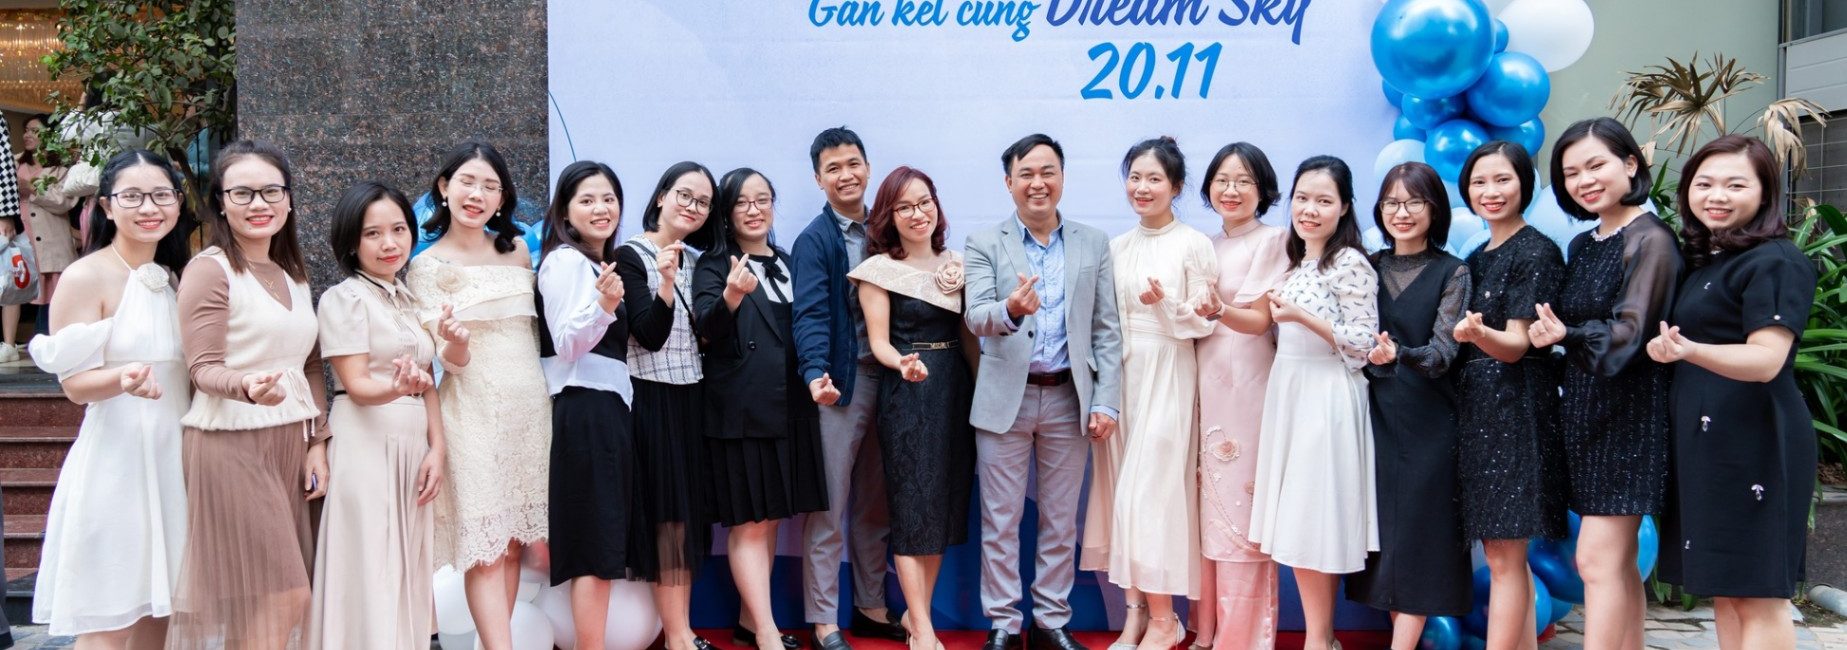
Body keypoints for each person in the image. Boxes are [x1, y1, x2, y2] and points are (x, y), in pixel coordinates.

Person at [1651, 135, 1817, 650]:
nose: (1716, 196)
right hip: (1709, 443)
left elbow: (1767, 360)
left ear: (1765, 192)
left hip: (1756, 441)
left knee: (1757, 595)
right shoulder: (1709, 260)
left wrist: (1689, 350)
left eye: (1735, 185)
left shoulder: (1777, 261)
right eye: (1704, 183)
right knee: (1726, 591)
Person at [962, 134, 1122, 650]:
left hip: (1067, 398)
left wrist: (1105, 399)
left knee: (1059, 519)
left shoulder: (1092, 242)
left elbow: (1106, 329)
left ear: (1063, 178)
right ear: (1008, 182)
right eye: (1026, 174)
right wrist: (1011, 309)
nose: (1038, 183)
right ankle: (1004, 624)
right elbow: (975, 315)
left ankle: (1051, 620)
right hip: (1003, 399)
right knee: (1000, 520)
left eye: (1048, 172)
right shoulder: (984, 242)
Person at [28, 148, 193, 648]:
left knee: (161, 616)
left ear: (178, 202)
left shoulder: (174, 276)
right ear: (105, 206)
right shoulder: (86, 276)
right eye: (133, 197)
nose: (150, 208)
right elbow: (75, 385)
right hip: (118, 461)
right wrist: (123, 378)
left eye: (161, 195)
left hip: (175, 456)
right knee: (109, 618)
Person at [1528, 118, 1683, 650]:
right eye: (1571, 173)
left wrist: (1566, 334)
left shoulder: (1651, 240)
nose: (1584, 181)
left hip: (1630, 418)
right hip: (1585, 417)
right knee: (1615, 564)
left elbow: (1628, 338)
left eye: (1596, 165)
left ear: (1630, 164)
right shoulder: (1583, 243)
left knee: (1595, 560)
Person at [168, 140, 328, 650]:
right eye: (242, 193)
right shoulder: (209, 269)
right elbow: (202, 368)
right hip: (231, 444)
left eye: (271, 191)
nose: (259, 204)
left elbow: (309, 364)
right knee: (286, 596)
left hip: (290, 442)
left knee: (261, 602)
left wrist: (318, 441)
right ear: (220, 203)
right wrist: (245, 386)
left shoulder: (292, 273)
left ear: (289, 199)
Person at [404, 139, 547, 650]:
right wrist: (457, 344)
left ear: (502, 198)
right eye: (467, 182)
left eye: (490, 186)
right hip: (471, 414)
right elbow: (447, 360)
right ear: (444, 187)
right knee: (484, 549)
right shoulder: (425, 266)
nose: (477, 194)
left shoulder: (518, 251)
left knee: (511, 545)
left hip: (530, 414)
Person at [692, 168, 830, 650]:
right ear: (727, 212)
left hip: (791, 405)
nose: (754, 210)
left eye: (763, 199)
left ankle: (751, 622)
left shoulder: (790, 261)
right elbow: (705, 331)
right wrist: (731, 295)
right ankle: (768, 632)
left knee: (770, 518)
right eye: (742, 202)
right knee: (750, 521)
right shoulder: (714, 264)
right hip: (742, 409)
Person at [306, 181, 446, 649]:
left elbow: (428, 382)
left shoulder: (408, 298)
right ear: (351, 242)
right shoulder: (344, 298)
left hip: (413, 443)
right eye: (373, 234)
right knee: (370, 567)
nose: (389, 243)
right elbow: (357, 385)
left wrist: (438, 450)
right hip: (365, 441)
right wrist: (398, 388)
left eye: (399, 229)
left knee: (408, 569)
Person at [1248, 155, 1379, 650]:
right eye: (1302, 198)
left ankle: (1319, 639)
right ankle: (1320, 637)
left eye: (1324, 200)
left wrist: (1302, 318)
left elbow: (1363, 344)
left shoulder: (1350, 263)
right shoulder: (1296, 261)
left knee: (1316, 522)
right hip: (1292, 392)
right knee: (1303, 526)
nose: (1309, 209)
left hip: (1327, 399)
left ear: (1344, 207)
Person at [845, 165, 978, 650]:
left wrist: (982, 394)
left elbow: (969, 340)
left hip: (954, 393)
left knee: (940, 509)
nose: (918, 213)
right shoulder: (877, 270)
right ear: (889, 215)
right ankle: (922, 628)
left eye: (924, 202)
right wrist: (901, 363)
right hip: (907, 392)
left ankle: (916, 615)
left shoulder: (960, 265)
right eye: (904, 206)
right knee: (910, 509)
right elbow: (879, 342)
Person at [1344, 162, 1473, 649]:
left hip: (1431, 422)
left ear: (1434, 208)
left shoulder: (1453, 271)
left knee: (1421, 539)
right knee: (1384, 541)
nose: (1402, 212)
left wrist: (1398, 353)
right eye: (1391, 203)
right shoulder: (1367, 266)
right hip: (1372, 418)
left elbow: (1442, 353)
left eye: (1414, 202)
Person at [1453, 141, 1569, 650]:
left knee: (1504, 554)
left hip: (1515, 410)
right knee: (1504, 555)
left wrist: (1478, 335)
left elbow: (1518, 345)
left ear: (1525, 182)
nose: (1491, 191)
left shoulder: (1536, 251)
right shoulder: (1476, 255)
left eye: (1502, 179)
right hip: (1479, 411)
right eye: (1479, 182)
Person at [1103, 136, 1217, 650]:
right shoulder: (1117, 247)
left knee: (1151, 496)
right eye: (1135, 177)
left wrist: (1166, 304)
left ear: (1176, 186)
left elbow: (1204, 322)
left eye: (1154, 178)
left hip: (1169, 370)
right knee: (1121, 499)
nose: (1142, 188)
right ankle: (1137, 617)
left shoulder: (1194, 243)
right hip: (1123, 376)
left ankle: (1167, 620)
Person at [792, 126, 904, 650]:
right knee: (830, 508)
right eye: (833, 168)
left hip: (892, 382)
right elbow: (810, 315)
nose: (846, 175)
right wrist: (816, 372)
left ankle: (871, 606)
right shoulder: (815, 240)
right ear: (818, 179)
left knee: (875, 506)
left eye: (853, 163)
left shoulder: (888, 229)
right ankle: (823, 621)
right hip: (841, 386)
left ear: (868, 167)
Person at [1187, 142, 1289, 650]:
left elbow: (1259, 321)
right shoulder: (1204, 244)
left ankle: (1243, 636)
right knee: (1206, 507)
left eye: (1244, 181)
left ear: (1263, 189)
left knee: (1241, 508)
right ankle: (1206, 629)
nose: (1231, 190)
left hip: (1248, 383)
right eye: (1222, 180)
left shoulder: (1274, 240)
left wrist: (1217, 310)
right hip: (1203, 380)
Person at [616, 161, 717, 650]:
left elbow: (710, 337)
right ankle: (678, 635)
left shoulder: (701, 262)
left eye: (703, 202)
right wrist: (663, 282)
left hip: (694, 395)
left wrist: (730, 301)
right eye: (685, 194)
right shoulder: (630, 255)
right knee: (668, 516)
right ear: (661, 196)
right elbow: (649, 334)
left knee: (688, 515)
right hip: (651, 397)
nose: (692, 207)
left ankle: (683, 629)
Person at [535, 160, 635, 650]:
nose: (601, 209)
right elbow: (567, 343)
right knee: (594, 544)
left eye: (609, 199)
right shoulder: (565, 262)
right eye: (587, 200)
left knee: (604, 540)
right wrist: (604, 307)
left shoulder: (597, 265)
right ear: (565, 212)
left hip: (606, 410)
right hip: (584, 408)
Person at [17, 114, 79, 352]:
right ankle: (18, 343)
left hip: (52, 241)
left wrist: (31, 188)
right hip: (22, 240)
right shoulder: (14, 164)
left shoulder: (61, 169)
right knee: (16, 290)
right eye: (26, 130)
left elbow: (63, 202)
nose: (27, 135)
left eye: (34, 131)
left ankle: (47, 345)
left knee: (53, 296)